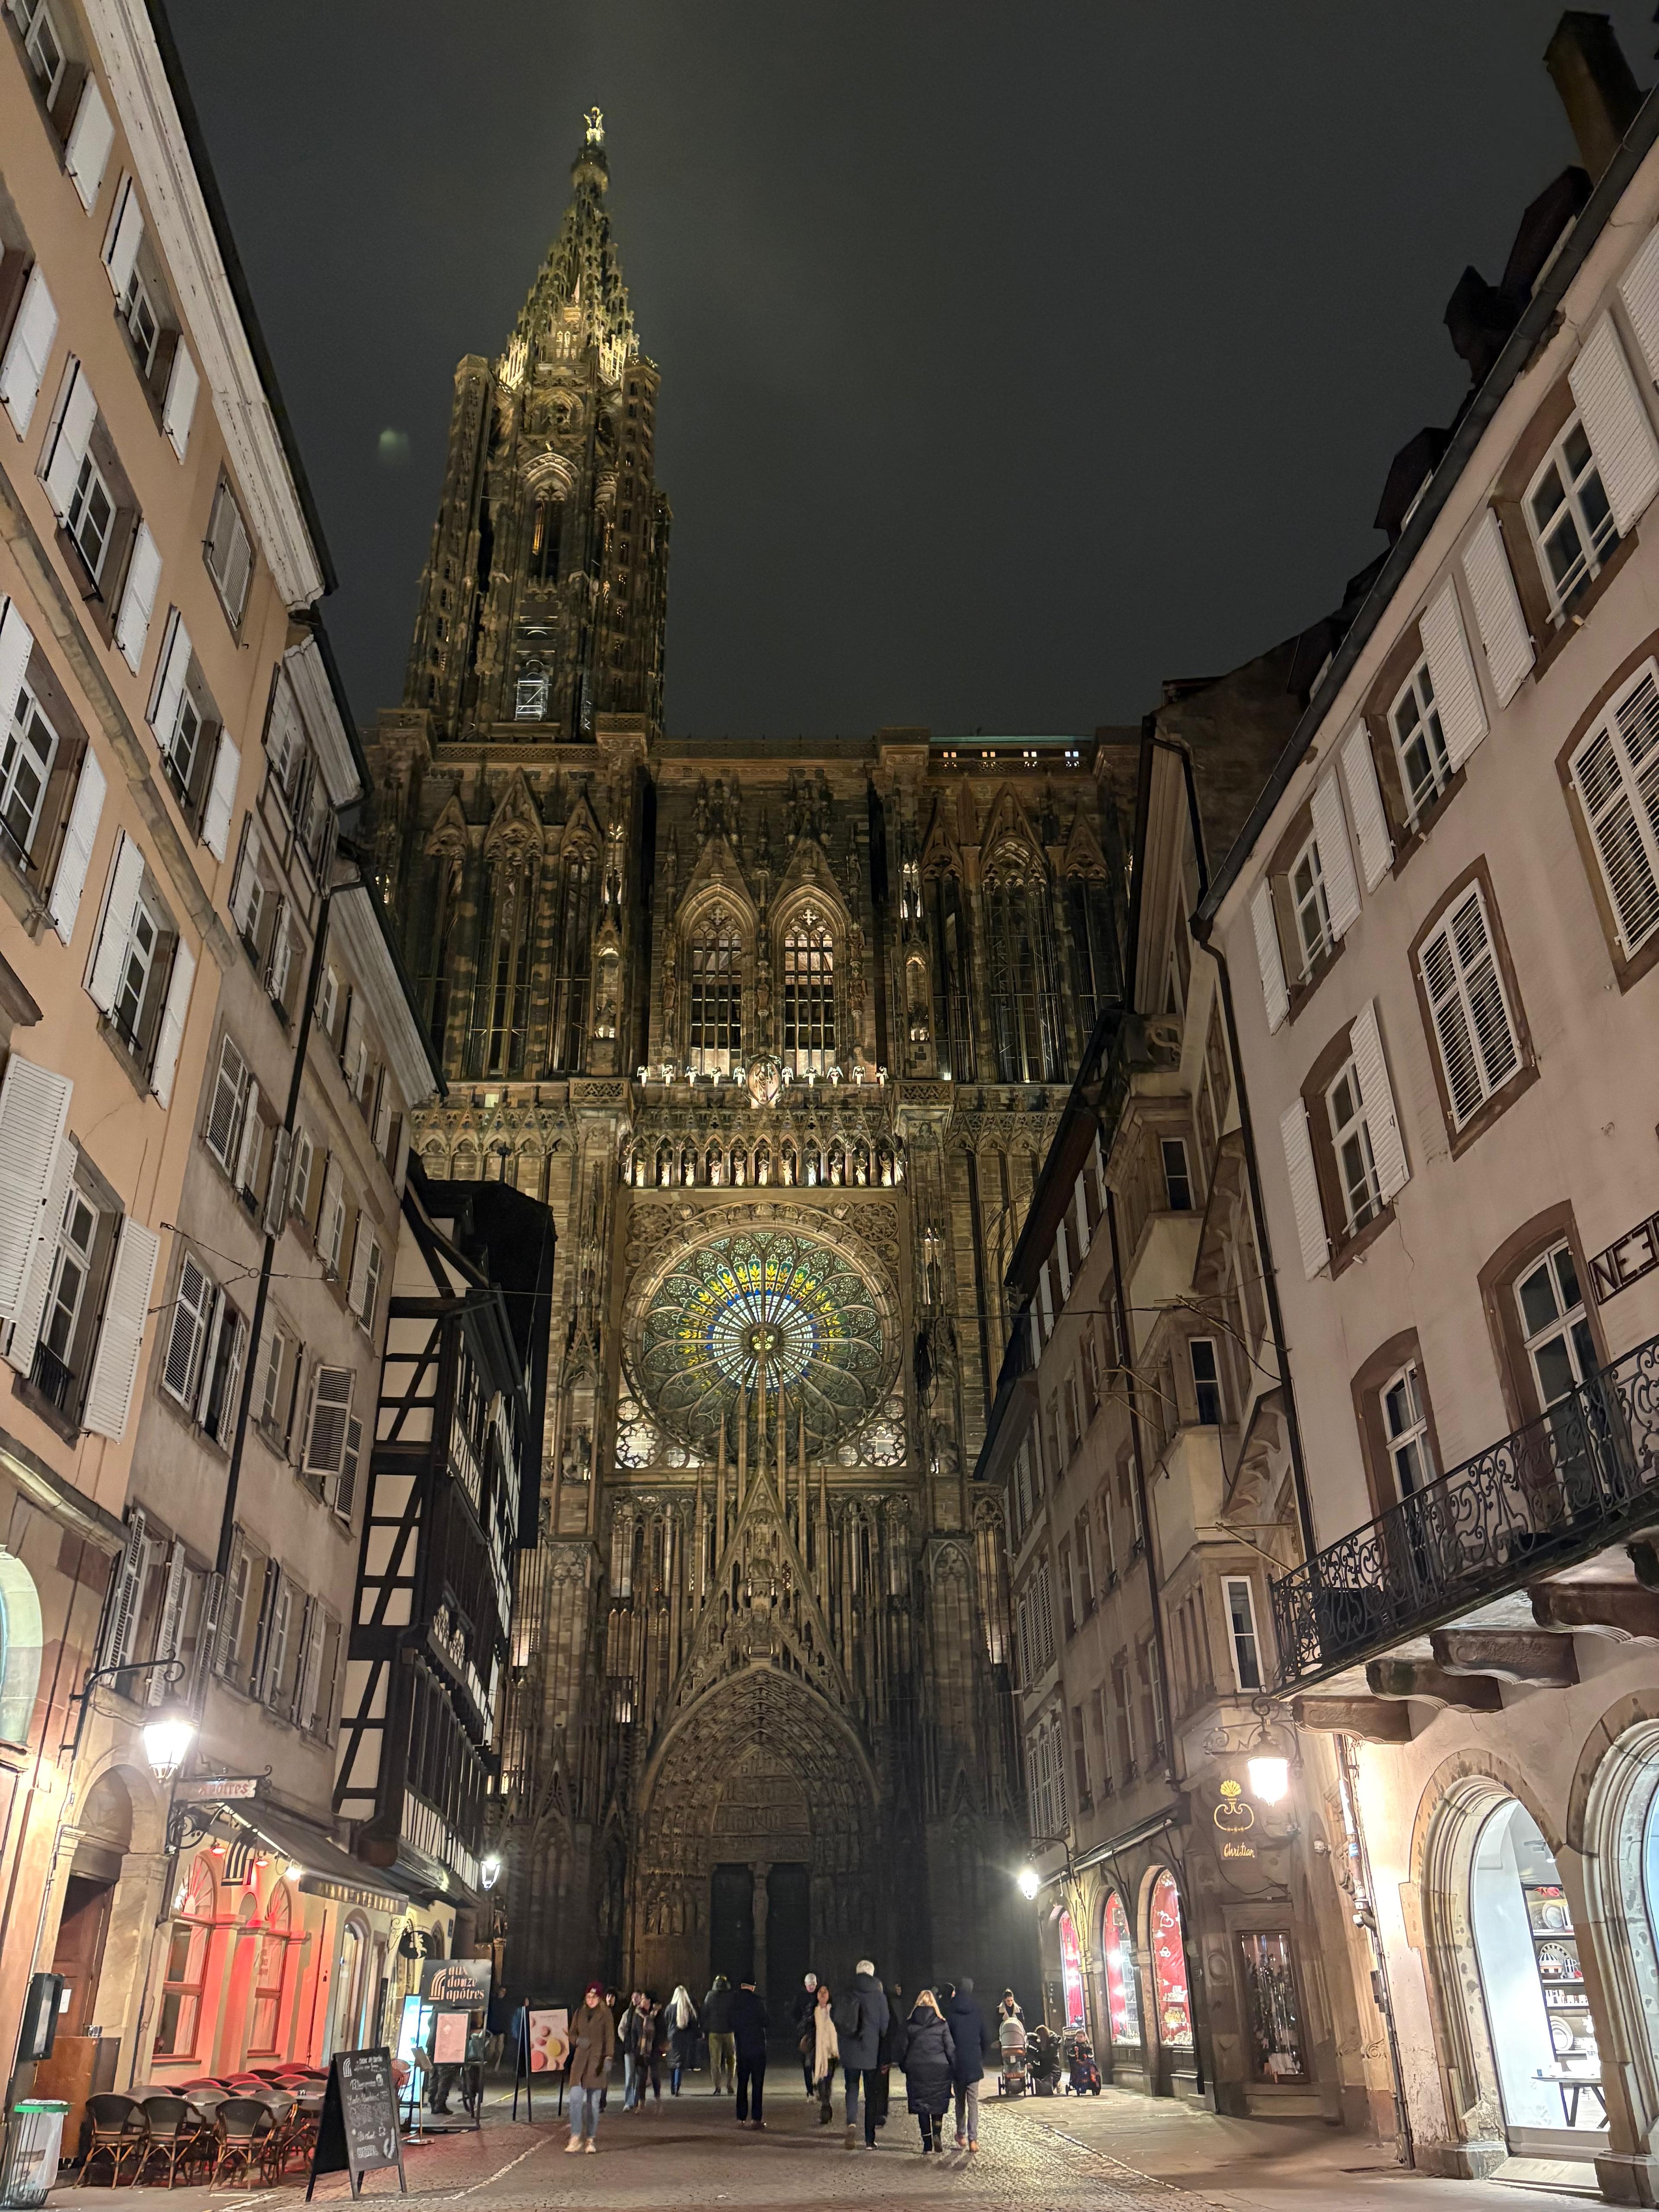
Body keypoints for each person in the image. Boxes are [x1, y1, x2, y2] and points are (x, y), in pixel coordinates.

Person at [835, 1957, 890, 2149]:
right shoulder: (879, 1996)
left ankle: (851, 2123)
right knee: (871, 2094)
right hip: (870, 2051)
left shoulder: (847, 1991)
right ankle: (869, 2139)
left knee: (851, 2088)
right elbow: (885, 2028)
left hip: (850, 2048)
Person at [893, 1988, 956, 2153]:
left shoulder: (910, 2025)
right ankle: (938, 2134)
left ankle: (927, 2143)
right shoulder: (942, 2024)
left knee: (922, 2106)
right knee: (938, 2105)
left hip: (917, 2069)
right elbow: (950, 2048)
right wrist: (954, 2068)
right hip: (940, 2069)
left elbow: (902, 2049)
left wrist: (904, 2066)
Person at [946, 1976, 993, 2152]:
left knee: (960, 2101)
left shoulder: (951, 2011)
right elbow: (986, 2038)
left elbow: (947, 2038)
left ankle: (961, 2134)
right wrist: (982, 2057)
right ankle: (974, 2139)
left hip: (957, 2061)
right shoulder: (977, 2010)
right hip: (974, 2061)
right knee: (973, 2102)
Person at [566, 1983, 615, 2154]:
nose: (591, 2000)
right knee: (575, 2100)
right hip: (580, 2063)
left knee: (593, 2104)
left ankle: (590, 2139)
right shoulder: (579, 2013)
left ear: (599, 1998)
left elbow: (610, 2037)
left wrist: (609, 2057)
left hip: (596, 2063)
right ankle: (575, 2136)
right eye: (588, 1997)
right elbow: (571, 2033)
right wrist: (578, 2041)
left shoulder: (606, 2014)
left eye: (594, 1997)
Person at [730, 1975, 770, 2129]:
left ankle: (741, 2118)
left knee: (742, 2083)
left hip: (742, 2049)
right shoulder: (757, 2002)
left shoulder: (734, 2003)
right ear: (753, 1987)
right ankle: (756, 2119)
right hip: (758, 2049)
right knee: (757, 2085)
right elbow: (767, 2021)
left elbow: (730, 2022)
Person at [807, 1981, 839, 2124]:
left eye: (825, 1992)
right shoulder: (812, 2011)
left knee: (828, 2081)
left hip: (831, 2053)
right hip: (817, 2052)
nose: (823, 1994)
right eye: (820, 1992)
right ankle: (826, 2108)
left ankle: (826, 2108)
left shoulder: (834, 2011)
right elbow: (804, 2027)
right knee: (821, 2081)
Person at [874, 1981, 903, 2129]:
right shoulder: (886, 2004)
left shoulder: (884, 2004)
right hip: (882, 2050)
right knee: (881, 2082)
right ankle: (880, 2111)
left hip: (879, 2050)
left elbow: (893, 2027)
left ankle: (879, 2111)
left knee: (878, 2082)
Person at [703, 1973, 735, 2096]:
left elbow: (705, 2012)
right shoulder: (731, 1996)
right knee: (731, 2060)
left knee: (715, 2061)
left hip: (714, 2032)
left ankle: (717, 2087)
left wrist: (705, 2027)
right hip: (729, 2032)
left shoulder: (710, 1996)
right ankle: (730, 2085)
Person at [667, 1984, 699, 2096]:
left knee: (672, 2063)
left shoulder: (670, 2008)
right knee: (679, 2064)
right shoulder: (688, 2008)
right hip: (684, 2038)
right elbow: (694, 2024)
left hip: (672, 2038)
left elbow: (666, 2021)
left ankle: (672, 2088)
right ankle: (677, 2088)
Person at [792, 1971, 820, 2094]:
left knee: (818, 2063)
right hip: (806, 2034)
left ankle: (818, 2086)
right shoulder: (800, 1997)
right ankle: (810, 2090)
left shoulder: (820, 1995)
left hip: (818, 2033)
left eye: (813, 1985)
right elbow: (794, 2013)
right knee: (808, 2063)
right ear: (805, 1984)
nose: (812, 1987)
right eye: (810, 1985)